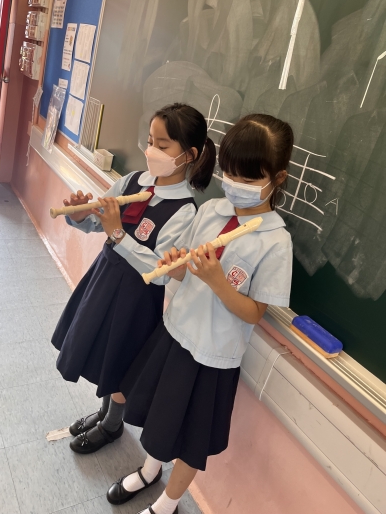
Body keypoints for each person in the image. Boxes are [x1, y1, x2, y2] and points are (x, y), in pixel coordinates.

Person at [107, 114, 294, 514]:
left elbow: (254, 313)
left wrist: (219, 282)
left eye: (248, 177)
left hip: (213, 356)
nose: (235, 183)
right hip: (175, 331)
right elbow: (183, 272)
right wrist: (174, 264)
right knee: (160, 416)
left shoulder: (276, 242)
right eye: (231, 172)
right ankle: (150, 471)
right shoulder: (211, 211)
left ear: (277, 178)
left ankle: (168, 503)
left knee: (189, 436)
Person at [51, 103, 216, 454]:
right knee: (101, 350)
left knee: (120, 362)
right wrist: (81, 215)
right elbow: (99, 219)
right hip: (104, 278)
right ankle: (104, 412)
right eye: (151, 141)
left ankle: (112, 425)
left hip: (137, 299)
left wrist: (118, 235)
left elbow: (160, 273)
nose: (151, 150)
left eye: (163, 145)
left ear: (189, 155)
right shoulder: (132, 181)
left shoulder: (185, 211)